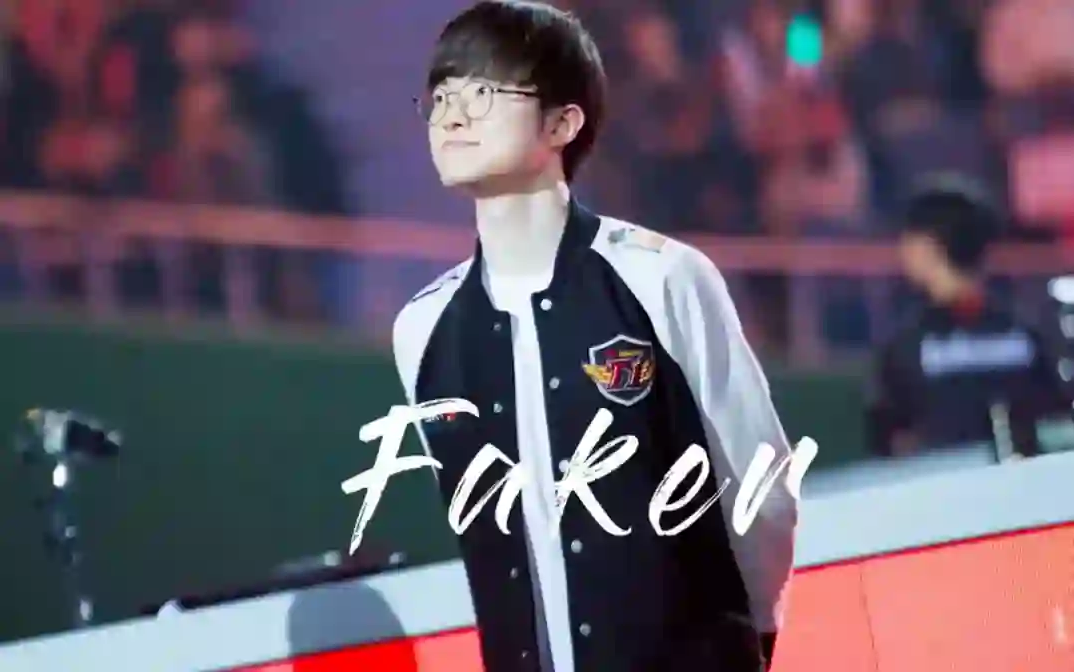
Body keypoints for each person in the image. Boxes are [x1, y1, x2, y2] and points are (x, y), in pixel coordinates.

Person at [390, 2, 798, 671]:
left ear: (562, 121)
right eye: (439, 98)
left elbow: (761, 493)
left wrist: (743, 641)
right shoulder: (421, 329)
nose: (451, 117)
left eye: (482, 92)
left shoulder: (661, 277)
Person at [867, 174, 1073, 457]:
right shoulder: (1028, 332)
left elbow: (888, 439)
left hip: (950, 481)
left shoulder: (905, 344)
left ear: (927, 247)